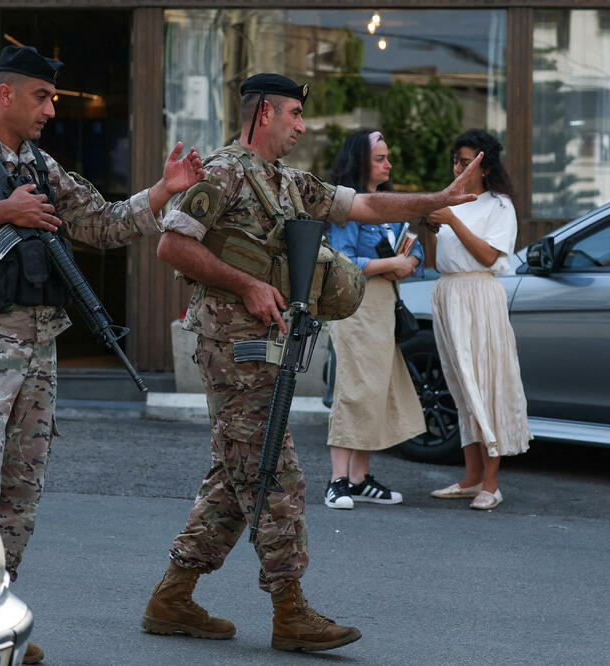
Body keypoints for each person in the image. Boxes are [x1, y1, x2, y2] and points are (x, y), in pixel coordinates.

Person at [144, 73, 482, 653]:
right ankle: (289, 610)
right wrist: (249, 285)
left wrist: (436, 201)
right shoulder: (224, 173)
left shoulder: (287, 182)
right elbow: (172, 244)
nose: (302, 126)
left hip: (269, 346)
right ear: (264, 113)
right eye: (295, 114)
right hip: (233, 348)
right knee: (275, 473)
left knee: (236, 477)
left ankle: (173, 596)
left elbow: (367, 204)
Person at [0, 45, 204, 664]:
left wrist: (159, 192)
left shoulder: (41, 166)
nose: (50, 109)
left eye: (53, 99)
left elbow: (99, 223)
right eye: (41, 97)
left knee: (20, 488)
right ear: (6, 94)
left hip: (38, 342)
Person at [426, 129, 532, 511]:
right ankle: (471, 478)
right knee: (460, 385)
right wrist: (432, 229)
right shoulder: (451, 202)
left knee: (485, 382)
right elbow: (436, 260)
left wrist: (452, 221)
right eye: (455, 159)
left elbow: (489, 257)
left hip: (480, 294)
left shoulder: (499, 205)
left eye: (466, 160)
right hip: (449, 292)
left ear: (484, 167)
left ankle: (491, 482)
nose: (458, 167)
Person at [322, 129, 426, 510]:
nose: (389, 164)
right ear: (361, 162)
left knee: (376, 389)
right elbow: (341, 258)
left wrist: (411, 262)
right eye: (381, 157)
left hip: (383, 304)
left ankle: (359, 477)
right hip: (354, 304)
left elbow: (413, 248)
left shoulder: (386, 202)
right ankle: (337, 480)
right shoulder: (347, 205)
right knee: (354, 387)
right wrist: (392, 264)